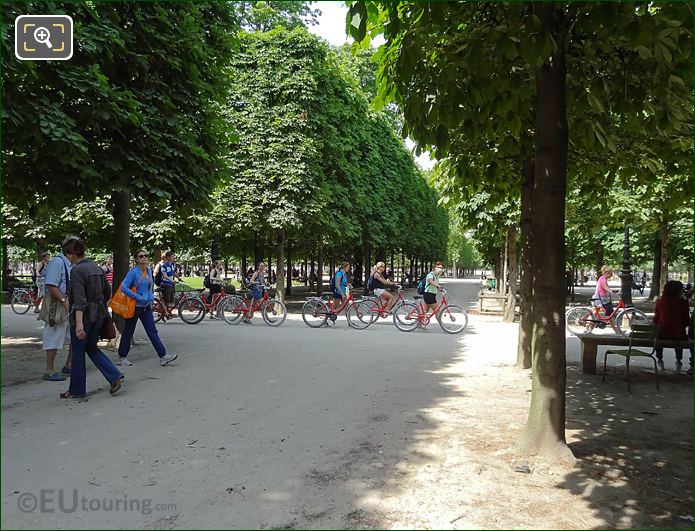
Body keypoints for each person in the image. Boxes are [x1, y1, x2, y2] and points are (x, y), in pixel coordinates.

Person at [59, 238, 124, 399]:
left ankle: (77, 390)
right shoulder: (97, 268)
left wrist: (79, 323)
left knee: (78, 353)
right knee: (91, 348)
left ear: (71, 254)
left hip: (84, 317)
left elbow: (79, 300)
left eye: (67, 255)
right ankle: (114, 375)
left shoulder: (77, 271)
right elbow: (107, 292)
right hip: (100, 314)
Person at [117, 249, 177, 367]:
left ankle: (163, 355)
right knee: (129, 331)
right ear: (136, 259)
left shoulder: (149, 270)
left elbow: (150, 287)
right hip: (134, 307)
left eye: (146, 256)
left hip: (145, 307)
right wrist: (138, 297)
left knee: (152, 331)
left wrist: (150, 299)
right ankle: (122, 356)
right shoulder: (133, 272)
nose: (144, 258)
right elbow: (124, 288)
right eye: (141, 256)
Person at [41, 238, 74, 381]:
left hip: (67, 303)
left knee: (75, 335)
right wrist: (63, 299)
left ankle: (69, 365)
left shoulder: (69, 263)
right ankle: (49, 370)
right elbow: (50, 284)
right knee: (53, 335)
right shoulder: (58, 262)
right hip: (57, 304)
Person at [653, 280, 691, 373]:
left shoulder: (660, 302)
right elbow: (686, 321)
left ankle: (660, 360)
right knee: (679, 332)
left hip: (662, 334)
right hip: (678, 336)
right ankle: (678, 361)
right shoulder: (683, 302)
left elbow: (656, 319)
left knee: (658, 334)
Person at [154, 250, 179, 317]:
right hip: (166, 284)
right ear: (168, 257)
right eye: (172, 256)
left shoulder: (173, 264)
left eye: (174, 256)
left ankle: (168, 312)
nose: (173, 257)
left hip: (171, 284)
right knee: (167, 300)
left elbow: (173, 272)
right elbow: (165, 276)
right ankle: (164, 313)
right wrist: (171, 281)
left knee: (171, 299)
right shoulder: (163, 266)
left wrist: (179, 278)